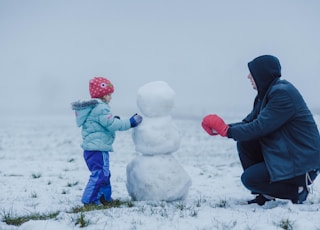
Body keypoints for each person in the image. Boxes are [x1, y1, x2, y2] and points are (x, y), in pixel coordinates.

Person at [201, 55, 320, 205]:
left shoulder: (282, 93)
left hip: (303, 163)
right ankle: (266, 195)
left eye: (252, 73)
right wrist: (221, 129)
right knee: (245, 143)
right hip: (287, 155)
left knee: (249, 179)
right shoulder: (264, 95)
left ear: (262, 74)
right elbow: (248, 123)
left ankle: (297, 190)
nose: (248, 76)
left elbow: (259, 127)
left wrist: (227, 131)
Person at [71, 76, 143, 206]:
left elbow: (102, 122)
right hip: (98, 149)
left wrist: (113, 119)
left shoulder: (94, 108)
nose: (111, 97)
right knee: (99, 175)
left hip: (92, 149)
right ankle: (89, 201)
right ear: (102, 95)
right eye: (109, 94)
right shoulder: (101, 108)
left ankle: (104, 198)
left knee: (104, 174)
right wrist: (130, 123)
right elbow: (111, 124)